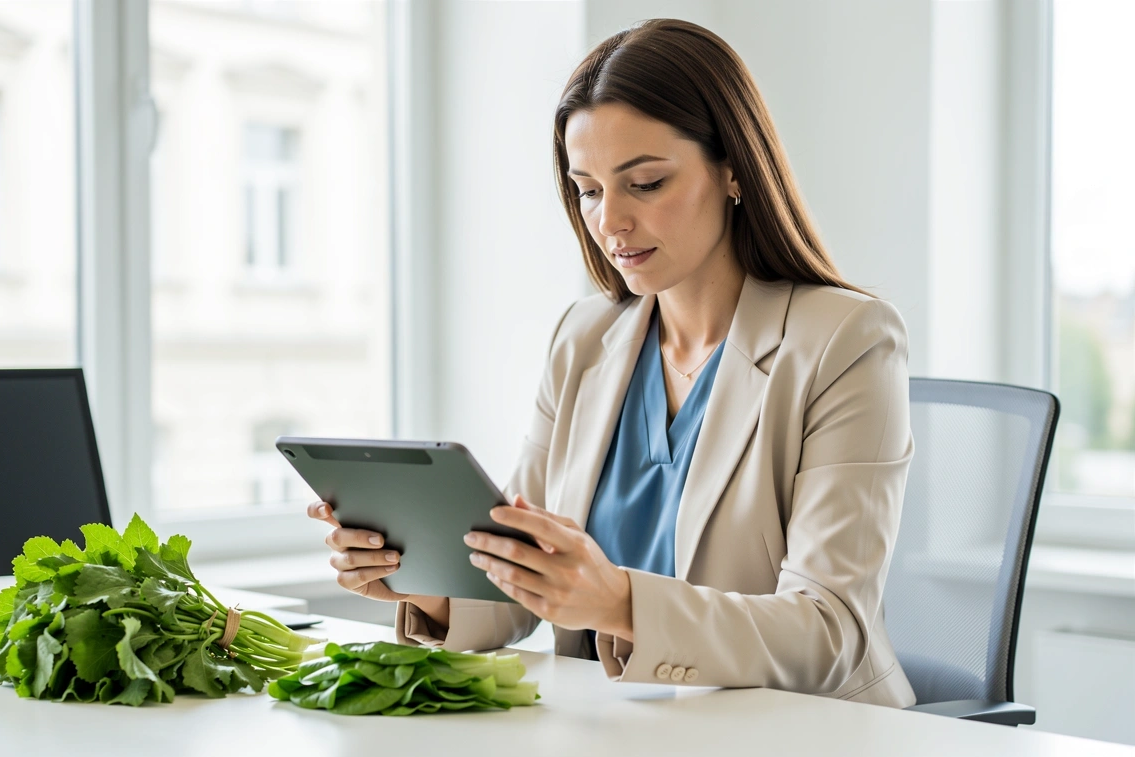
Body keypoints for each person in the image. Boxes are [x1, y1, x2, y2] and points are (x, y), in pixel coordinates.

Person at [308, 18, 916, 708]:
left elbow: (828, 632)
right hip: (623, 735)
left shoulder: (846, 339)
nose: (610, 222)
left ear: (735, 172)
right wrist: (412, 577)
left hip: (806, 738)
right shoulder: (585, 338)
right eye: (589, 190)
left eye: (646, 183)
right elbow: (520, 584)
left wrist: (618, 602)